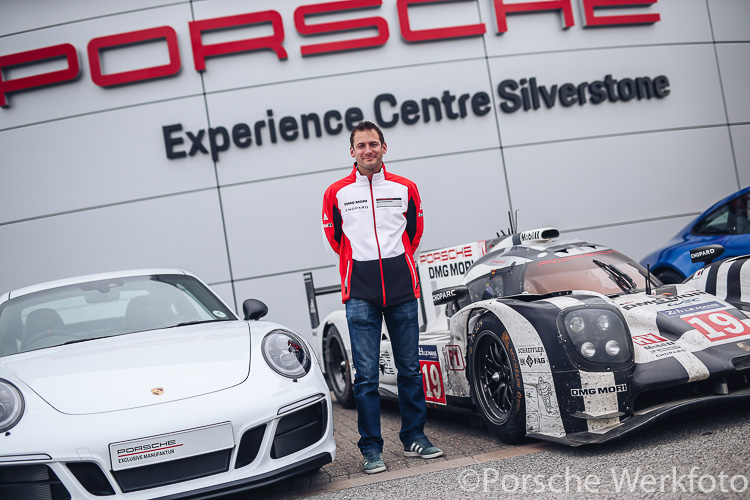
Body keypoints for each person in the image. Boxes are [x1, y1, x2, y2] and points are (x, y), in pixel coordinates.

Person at [322, 121, 443, 474]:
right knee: (366, 376)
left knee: (409, 369)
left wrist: (396, 263)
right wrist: (358, 267)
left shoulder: (405, 187)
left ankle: (414, 438)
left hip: (402, 287)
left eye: (373, 144)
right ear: (352, 152)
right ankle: (371, 449)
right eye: (361, 146)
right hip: (360, 290)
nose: (368, 150)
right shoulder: (336, 193)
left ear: (384, 147)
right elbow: (336, 238)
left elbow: (414, 231)